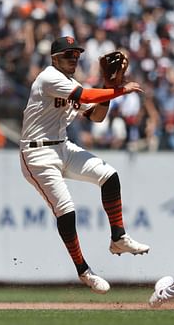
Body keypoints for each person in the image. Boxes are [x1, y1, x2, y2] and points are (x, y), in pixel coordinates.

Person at [19, 36, 150, 294]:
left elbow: (98, 116)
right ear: (55, 58)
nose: (73, 59)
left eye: (76, 55)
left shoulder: (69, 83)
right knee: (66, 209)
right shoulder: (48, 77)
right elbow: (85, 94)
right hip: (37, 154)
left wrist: (109, 86)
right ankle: (83, 270)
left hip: (62, 147)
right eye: (68, 55)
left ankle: (118, 238)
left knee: (109, 176)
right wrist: (120, 89)